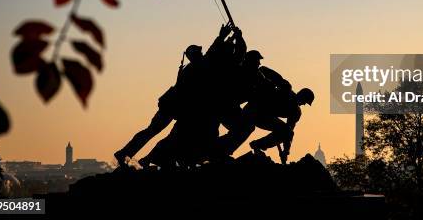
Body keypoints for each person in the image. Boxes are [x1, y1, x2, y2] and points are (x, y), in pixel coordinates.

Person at [113, 25, 232, 167]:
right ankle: (133, 155)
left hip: (173, 107)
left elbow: (211, 54)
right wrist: (222, 37)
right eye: (199, 53)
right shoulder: (193, 69)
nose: (202, 54)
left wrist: (225, 38)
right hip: (172, 108)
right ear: (194, 56)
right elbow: (211, 53)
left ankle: (131, 154)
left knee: (155, 133)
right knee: (159, 133)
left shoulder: (192, 68)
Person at [248, 87, 314, 164]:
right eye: (304, 101)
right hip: (255, 110)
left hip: (265, 118)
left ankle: (258, 144)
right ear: (301, 95)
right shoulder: (286, 93)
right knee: (284, 130)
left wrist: (286, 151)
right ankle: (258, 144)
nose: (303, 104)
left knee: (286, 132)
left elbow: (289, 133)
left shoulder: (296, 112)